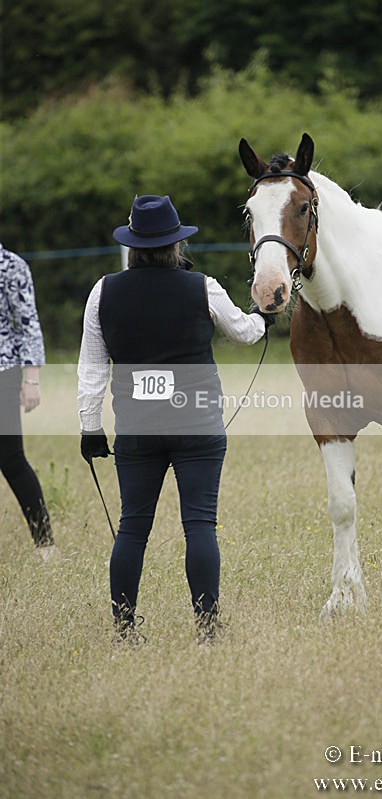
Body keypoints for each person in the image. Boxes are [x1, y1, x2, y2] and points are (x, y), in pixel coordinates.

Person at [77, 194, 274, 643]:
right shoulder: (201, 286)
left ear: (133, 244)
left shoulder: (102, 291)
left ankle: (124, 631)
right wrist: (266, 319)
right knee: (200, 526)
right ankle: (208, 630)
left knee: (132, 528)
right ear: (176, 244)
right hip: (198, 425)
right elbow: (244, 332)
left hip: (136, 428)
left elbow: (91, 368)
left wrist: (90, 427)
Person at [0, 244, 55, 558]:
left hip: (4, 371)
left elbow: (28, 322)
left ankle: (45, 545)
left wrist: (31, 379)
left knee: (11, 460)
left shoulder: (11, 266)